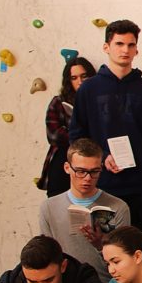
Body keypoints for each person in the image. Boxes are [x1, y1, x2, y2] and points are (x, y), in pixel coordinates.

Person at [69, 19, 142, 235]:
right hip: (102, 186)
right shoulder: (89, 89)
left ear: (136, 49)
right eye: (119, 44)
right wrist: (103, 156)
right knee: (106, 249)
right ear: (107, 47)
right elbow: (77, 138)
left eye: (131, 45)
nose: (125, 50)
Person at [39, 138, 130, 283]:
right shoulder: (49, 207)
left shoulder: (118, 207)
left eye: (94, 172)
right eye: (80, 171)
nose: (87, 178)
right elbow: (48, 255)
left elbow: (124, 262)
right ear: (67, 168)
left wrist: (101, 246)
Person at [38, 57, 94, 197]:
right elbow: (54, 135)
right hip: (63, 158)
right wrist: (80, 137)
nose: (80, 81)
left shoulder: (98, 101)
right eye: (74, 78)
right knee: (58, 206)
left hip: (91, 161)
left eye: (84, 76)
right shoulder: (58, 102)